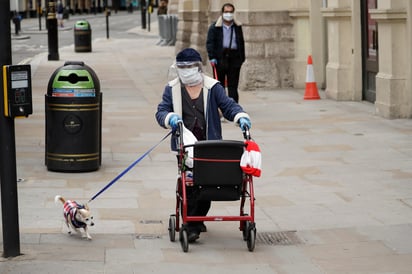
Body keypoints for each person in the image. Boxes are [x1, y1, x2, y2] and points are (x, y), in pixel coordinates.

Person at [155, 48, 251, 242]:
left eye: (190, 66)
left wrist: (240, 116)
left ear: (198, 67)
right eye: (182, 67)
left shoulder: (212, 87)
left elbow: (228, 105)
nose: (186, 70)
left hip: (209, 145)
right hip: (186, 147)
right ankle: (191, 225)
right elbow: (161, 111)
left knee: (207, 181)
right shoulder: (172, 89)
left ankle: (197, 218)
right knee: (189, 185)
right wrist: (169, 117)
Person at [206, 3, 245, 103]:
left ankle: (233, 107)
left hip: (234, 58)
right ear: (222, 13)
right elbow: (210, 43)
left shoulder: (237, 26)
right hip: (220, 58)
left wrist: (241, 59)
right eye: (226, 12)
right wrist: (212, 57)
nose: (229, 14)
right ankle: (221, 107)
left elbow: (241, 42)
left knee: (233, 85)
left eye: (231, 12)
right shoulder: (215, 27)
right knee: (220, 85)